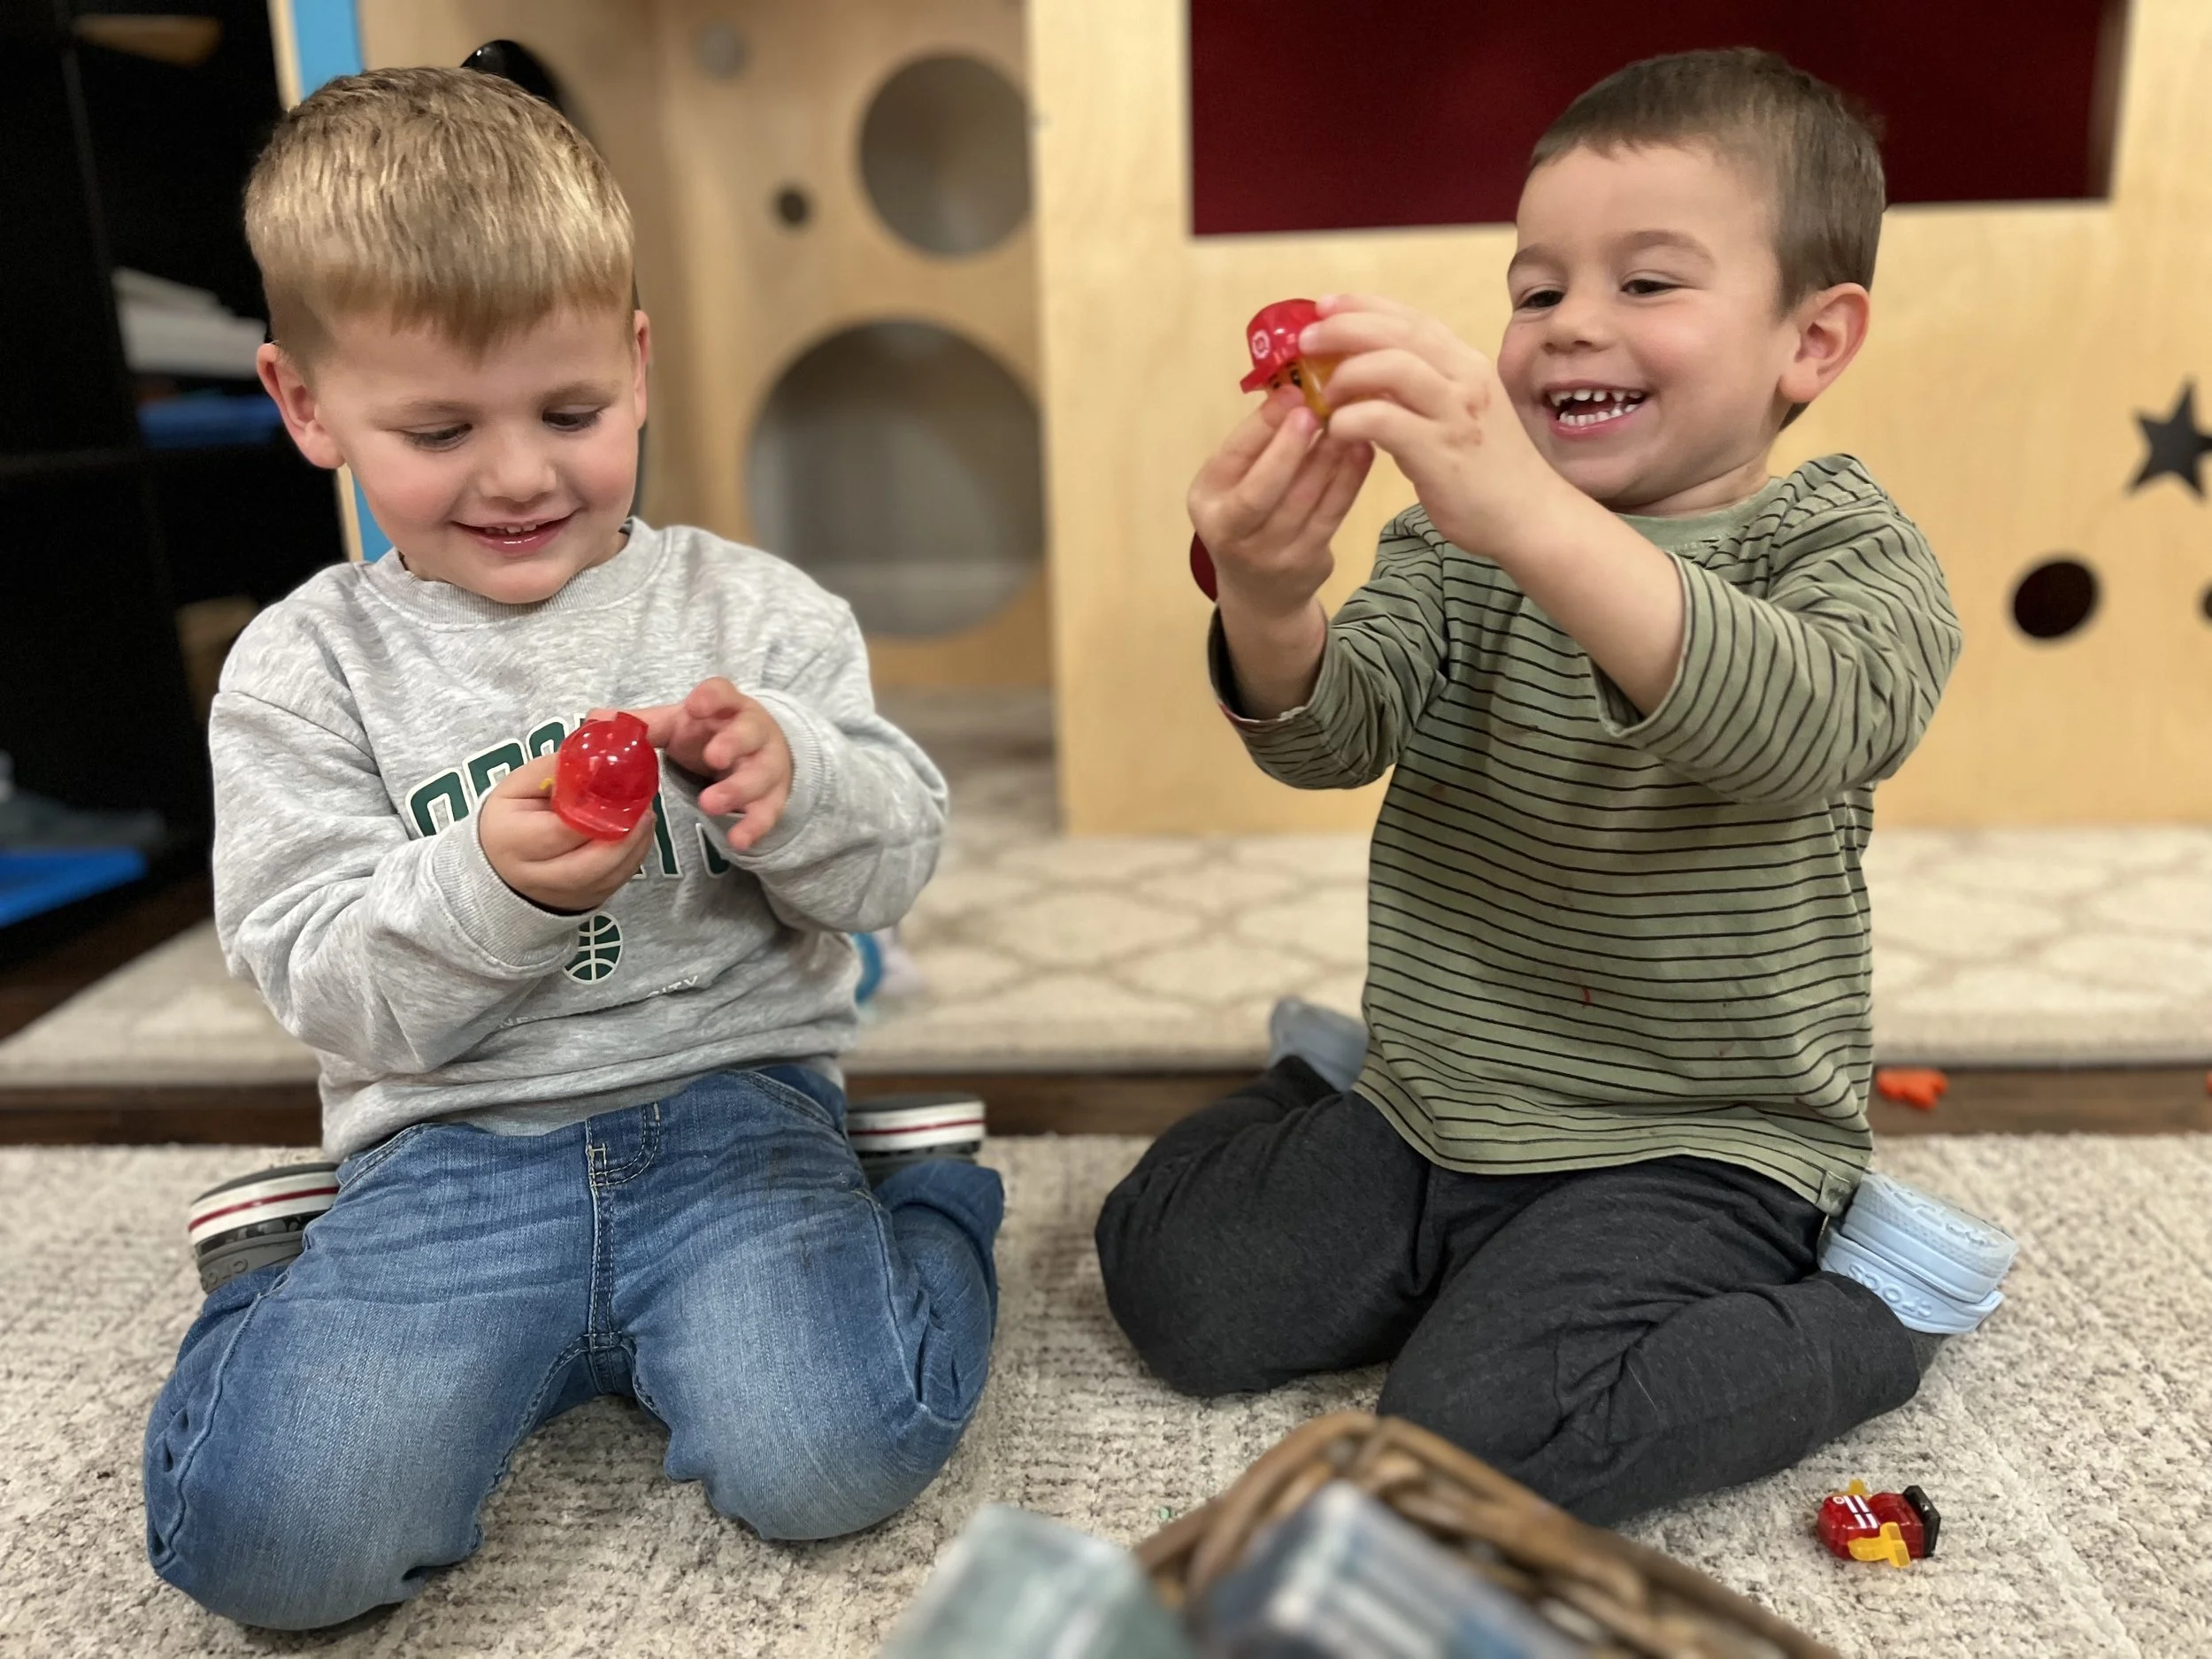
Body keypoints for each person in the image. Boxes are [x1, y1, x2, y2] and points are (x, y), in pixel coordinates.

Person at [1095, 48, 2013, 1525]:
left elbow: (1793, 722)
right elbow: (1331, 732)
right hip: (1442, 1090)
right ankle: (1315, 1080)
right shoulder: (1458, 542)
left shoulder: (1845, 551)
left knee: (1470, 1445)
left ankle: (1880, 1311)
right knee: (1174, 1287)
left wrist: (1523, 511)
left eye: (1648, 283)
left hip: (1701, 1139)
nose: (1571, 323)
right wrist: (1269, 598)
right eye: (1536, 291)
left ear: (1813, 340)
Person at [143, 66, 1001, 1630]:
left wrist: (797, 788)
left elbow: (895, 863)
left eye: (570, 410)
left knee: (838, 1454)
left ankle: (928, 1195)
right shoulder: (301, 666)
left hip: (738, 1112)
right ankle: (273, 1272)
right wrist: (486, 888)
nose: (523, 473)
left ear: (638, 363)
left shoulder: (759, 613)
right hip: (449, 1146)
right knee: (268, 1544)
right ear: (306, 404)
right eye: (439, 427)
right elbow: (319, 979)